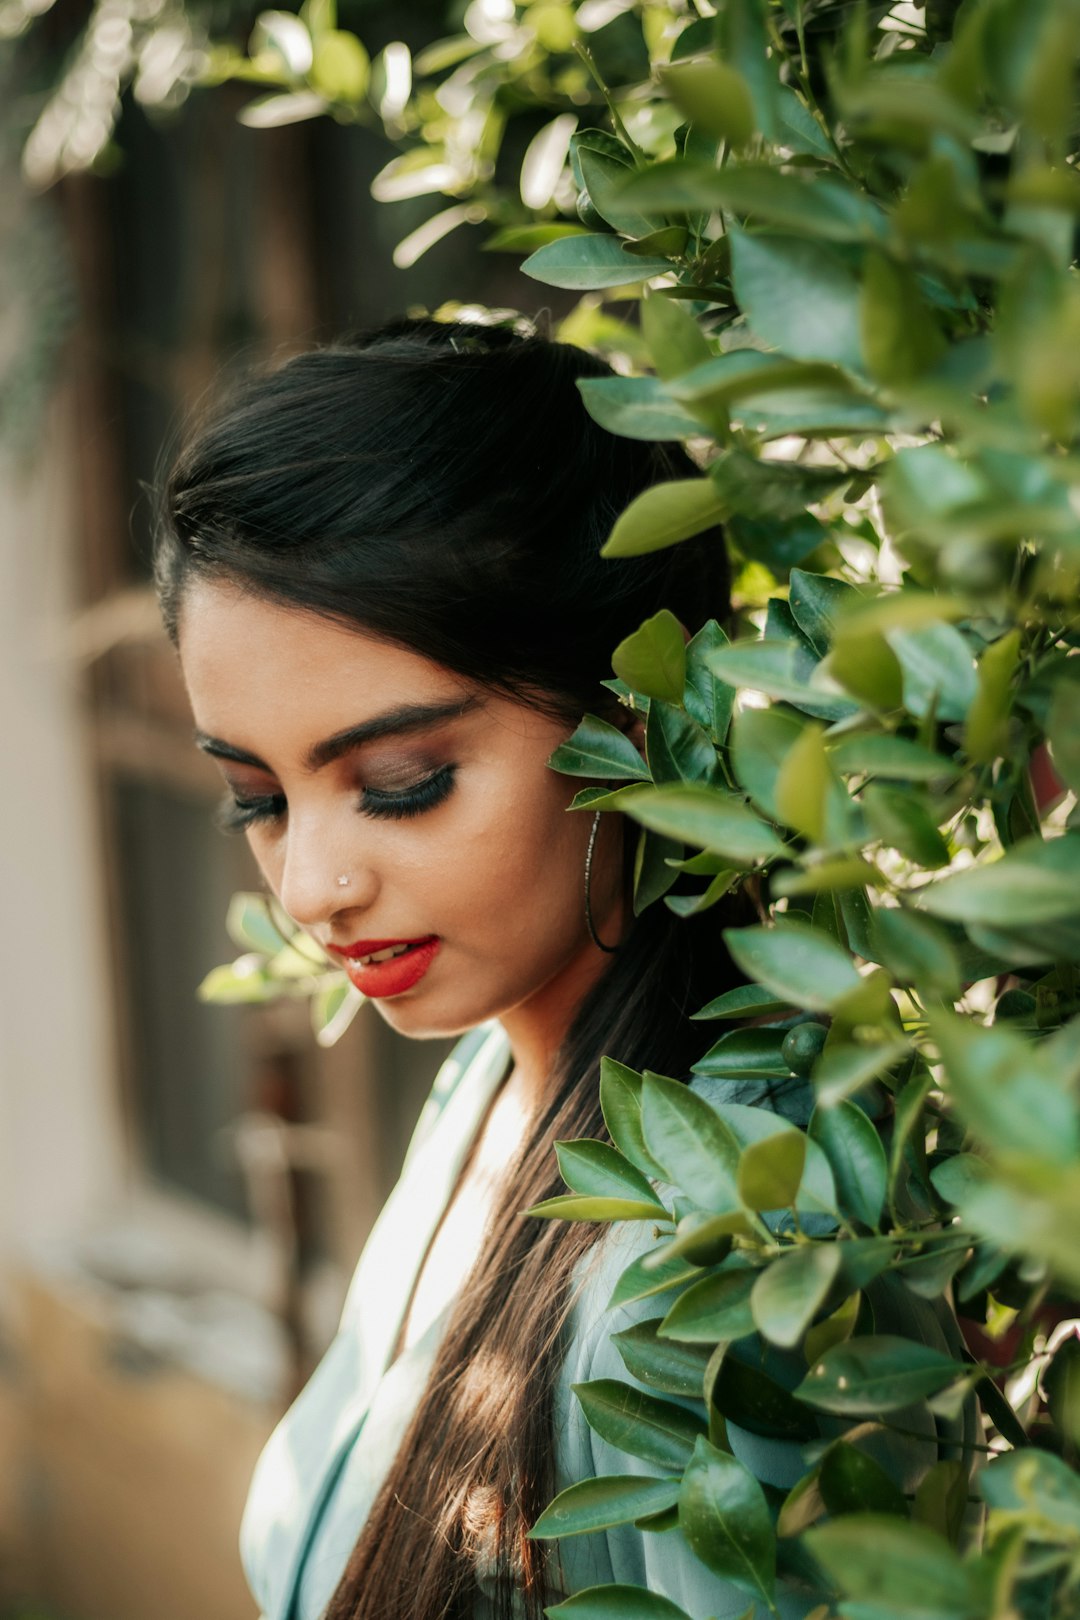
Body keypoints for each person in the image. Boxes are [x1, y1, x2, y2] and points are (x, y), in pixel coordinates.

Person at [154, 315, 977, 1620]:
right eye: (257, 799)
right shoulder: (494, 1069)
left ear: (631, 723)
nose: (310, 889)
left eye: (402, 785)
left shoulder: (723, 1260)